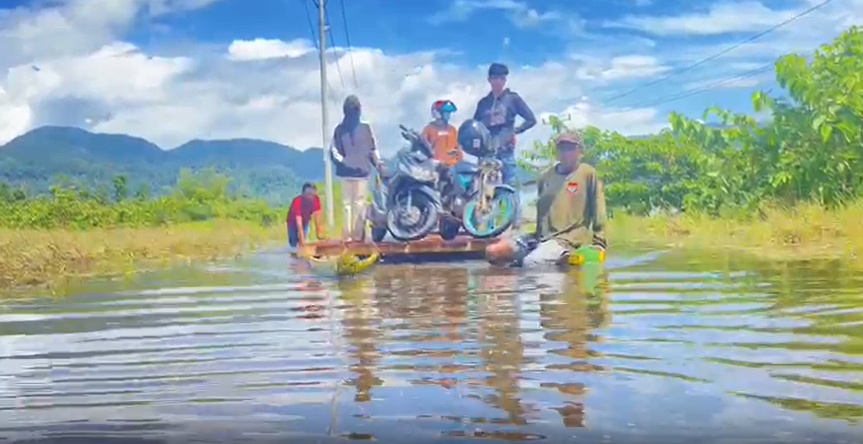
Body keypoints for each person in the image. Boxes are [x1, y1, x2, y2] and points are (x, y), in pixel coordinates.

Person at [485, 132, 607, 268]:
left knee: (530, 262)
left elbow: (599, 207)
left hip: (567, 239)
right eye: (562, 148)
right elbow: (541, 213)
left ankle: (563, 260)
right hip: (541, 237)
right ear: (557, 152)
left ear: (579, 152)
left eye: (571, 148)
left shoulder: (587, 174)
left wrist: (599, 242)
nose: (566, 152)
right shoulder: (546, 177)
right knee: (493, 253)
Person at [472, 62, 537, 188]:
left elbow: (531, 119)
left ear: (505, 80)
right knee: (482, 187)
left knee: (510, 186)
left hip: (506, 150)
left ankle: (513, 202)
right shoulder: (483, 103)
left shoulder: (513, 98)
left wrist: (516, 131)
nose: (498, 81)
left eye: (501, 78)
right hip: (486, 152)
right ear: (489, 80)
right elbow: (475, 128)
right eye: (495, 78)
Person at [330, 95, 384, 242]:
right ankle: (356, 236)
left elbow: (334, 151)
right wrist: (378, 164)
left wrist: (344, 162)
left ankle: (350, 236)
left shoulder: (340, 129)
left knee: (349, 204)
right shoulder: (364, 128)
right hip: (359, 171)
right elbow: (373, 149)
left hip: (350, 172)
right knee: (357, 204)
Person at [421, 99, 462, 167]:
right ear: (437, 113)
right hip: (437, 167)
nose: (448, 115)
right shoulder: (428, 129)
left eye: (449, 113)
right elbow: (424, 143)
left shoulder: (452, 129)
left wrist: (460, 162)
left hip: (453, 166)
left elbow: (458, 148)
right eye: (446, 113)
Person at [287, 182, 325, 249]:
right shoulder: (297, 201)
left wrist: (319, 235)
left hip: (305, 220)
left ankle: (302, 248)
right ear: (303, 194)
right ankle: (294, 251)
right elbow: (299, 223)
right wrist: (302, 241)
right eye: (308, 194)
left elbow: (317, 218)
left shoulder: (316, 199)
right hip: (292, 222)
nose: (310, 197)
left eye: (312, 194)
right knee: (293, 243)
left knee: (304, 237)